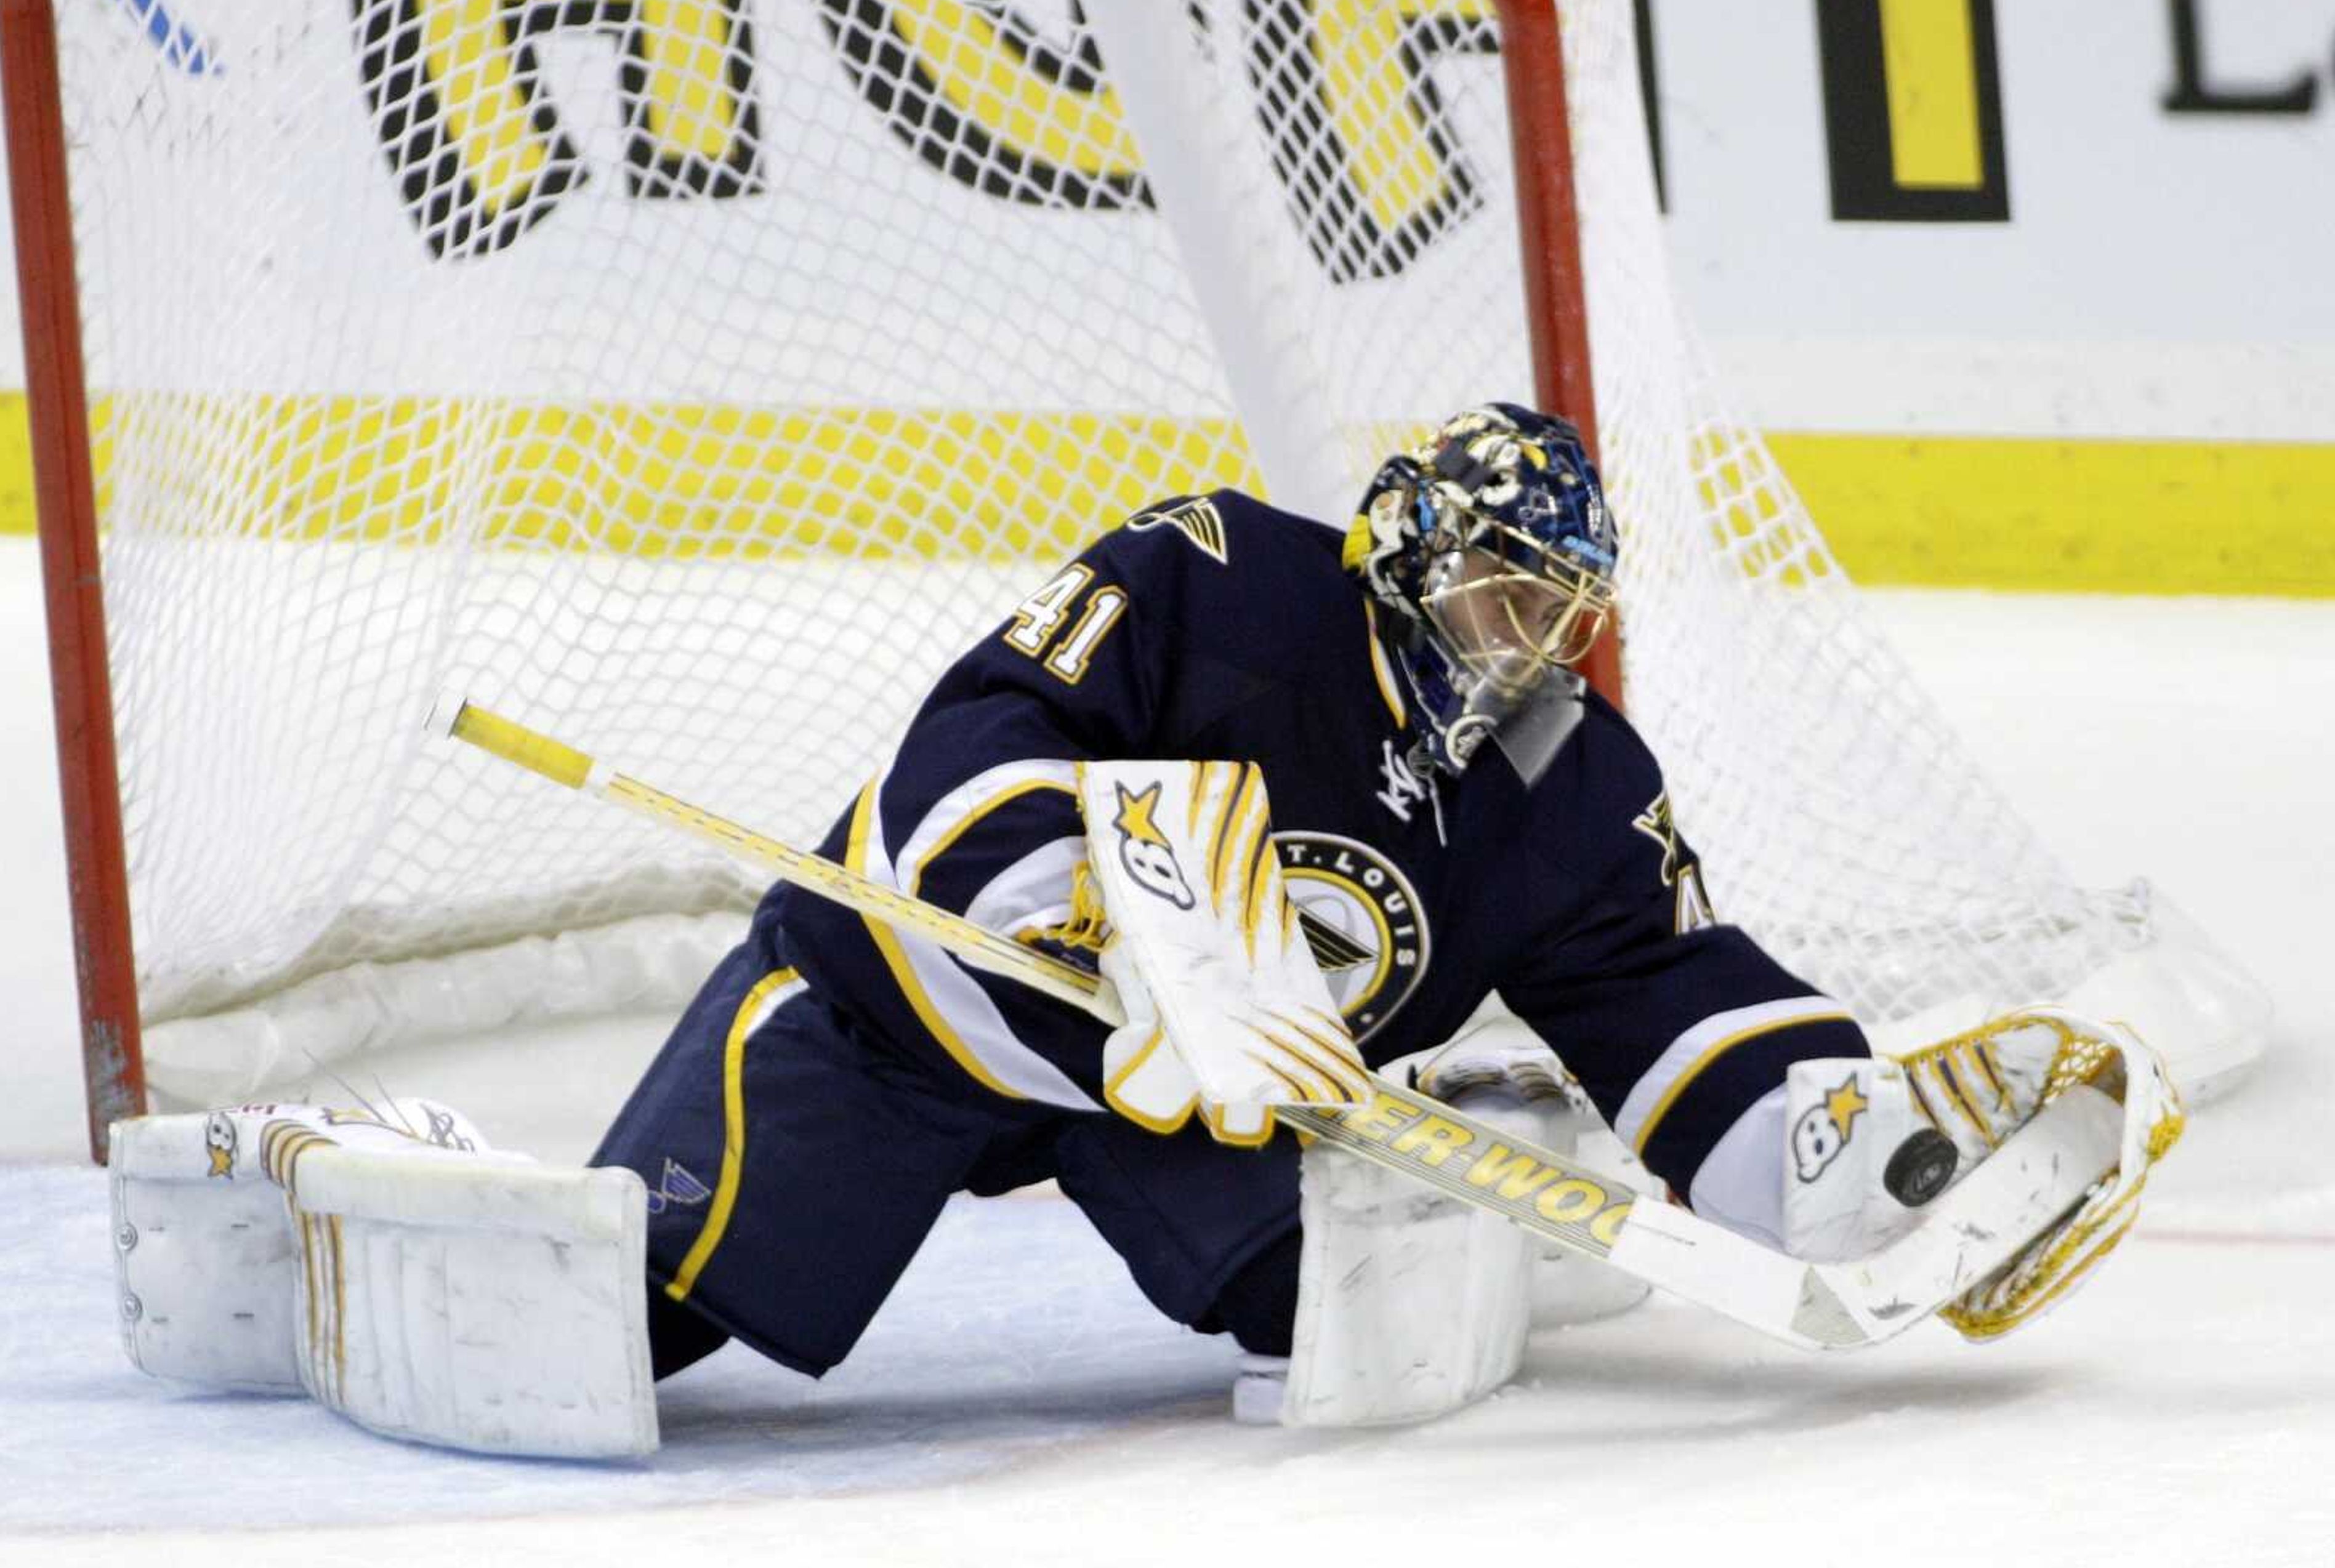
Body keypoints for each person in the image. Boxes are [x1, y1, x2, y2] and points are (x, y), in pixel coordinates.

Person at [589, 403, 2164, 1402]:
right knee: (624, 1338)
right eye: (1499, 597)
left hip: (1193, 1105)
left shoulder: (1570, 779)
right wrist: (1089, 919)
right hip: (907, 1017)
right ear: (1409, 550)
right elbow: (976, 736)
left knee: (1352, 1328)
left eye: (1562, 620)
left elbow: (1661, 988)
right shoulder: (1220, 577)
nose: (1523, 649)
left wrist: (1842, 1152)